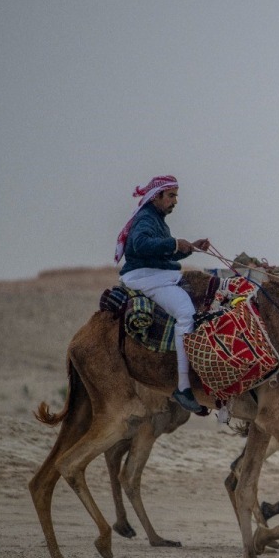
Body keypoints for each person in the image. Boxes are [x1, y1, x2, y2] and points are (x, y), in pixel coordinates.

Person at [114, 175, 211, 414]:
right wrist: (174, 244)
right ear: (156, 196)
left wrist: (190, 248)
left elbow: (163, 254)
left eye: (176, 195)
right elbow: (140, 245)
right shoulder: (146, 219)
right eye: (171, 195)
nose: (175, 201)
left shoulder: (157, 220)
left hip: (158, 273)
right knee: (186, 313)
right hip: (146, 278)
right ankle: (183, 386)